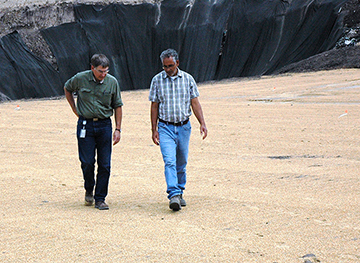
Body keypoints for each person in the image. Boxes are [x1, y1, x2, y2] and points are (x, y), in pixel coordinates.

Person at [149, 48, 208, 211]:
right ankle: (173, 194)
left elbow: (194, 103)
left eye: (170, 66)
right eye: (165, 66)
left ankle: (180, 190)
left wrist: (202, 122)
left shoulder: (188, 79)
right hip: (165, 126)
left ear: (177, 63)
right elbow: (154, 106)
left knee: (181, 162)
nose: (168, 69)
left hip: (183, 127)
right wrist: (153, 129)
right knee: (169, 161)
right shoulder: (157, 80)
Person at [64, 54, 123, 210]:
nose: (103, 74)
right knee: (87, 161)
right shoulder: (80, 78)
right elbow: (67, 88)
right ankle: (89, 188)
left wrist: (118, 129)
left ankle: (100, 198)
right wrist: (75, 109)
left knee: (105, 164)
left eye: (106, 71)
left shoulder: (112, 82)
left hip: (104, 125)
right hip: (86, 125)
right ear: (92, 68)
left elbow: (118, 105)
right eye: (100, 71)